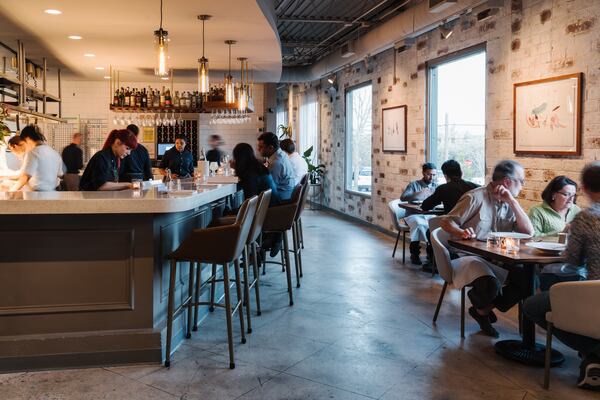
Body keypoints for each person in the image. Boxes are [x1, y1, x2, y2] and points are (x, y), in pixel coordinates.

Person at [524, 162, 600, 392]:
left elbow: (572, 260)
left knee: (532, 306)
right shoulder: (543, 211)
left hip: (595, 292)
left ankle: (593, 352)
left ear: (585, 188)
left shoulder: (587, 218)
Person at [440, 160, 535, 337]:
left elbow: (528, 232)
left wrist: (513, 202)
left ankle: (482, 309)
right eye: (521, 181)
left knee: (528, 278)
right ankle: (483, 302)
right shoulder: (475, 197)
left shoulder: (510, 202)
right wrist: (461, 232)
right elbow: (446, 221)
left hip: (497, 257)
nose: (523, 186)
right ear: (507, 181)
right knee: (490, 284)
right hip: (467, 257)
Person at [528, 176, 583, 289]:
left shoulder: (576, 210)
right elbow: (532, 239)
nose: (570, 199)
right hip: (549, 261)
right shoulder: (538, 211)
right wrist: (561, 233)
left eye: (573, 195)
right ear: (553, 194)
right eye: (566, 194)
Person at [399, 163, 438, 266]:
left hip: (429, 214)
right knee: (419, 224)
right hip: (413, 214)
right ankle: (415, 253)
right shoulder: (414, 185)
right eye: (429, 174)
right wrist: (418, 194)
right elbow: (403, 198)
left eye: (434, 175)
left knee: (434, 225)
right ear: (423, 173)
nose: (431, 177)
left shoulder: (436, 186)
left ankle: (431, 254)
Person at [11, 125, 64, 192]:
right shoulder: (55, 153)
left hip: (37, 195)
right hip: (52, 193)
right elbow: (60, 174)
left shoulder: (33, 153)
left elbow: (25, 177)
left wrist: (11, 191)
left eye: (24, 142)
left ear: (27, 138)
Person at [257, 132, 294, 200]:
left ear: (271, 148)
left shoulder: (276, 163)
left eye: (261, 147)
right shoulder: (282, 154)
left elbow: (269, 188)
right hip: (286, 194)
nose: (258, 149)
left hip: (281, 198)